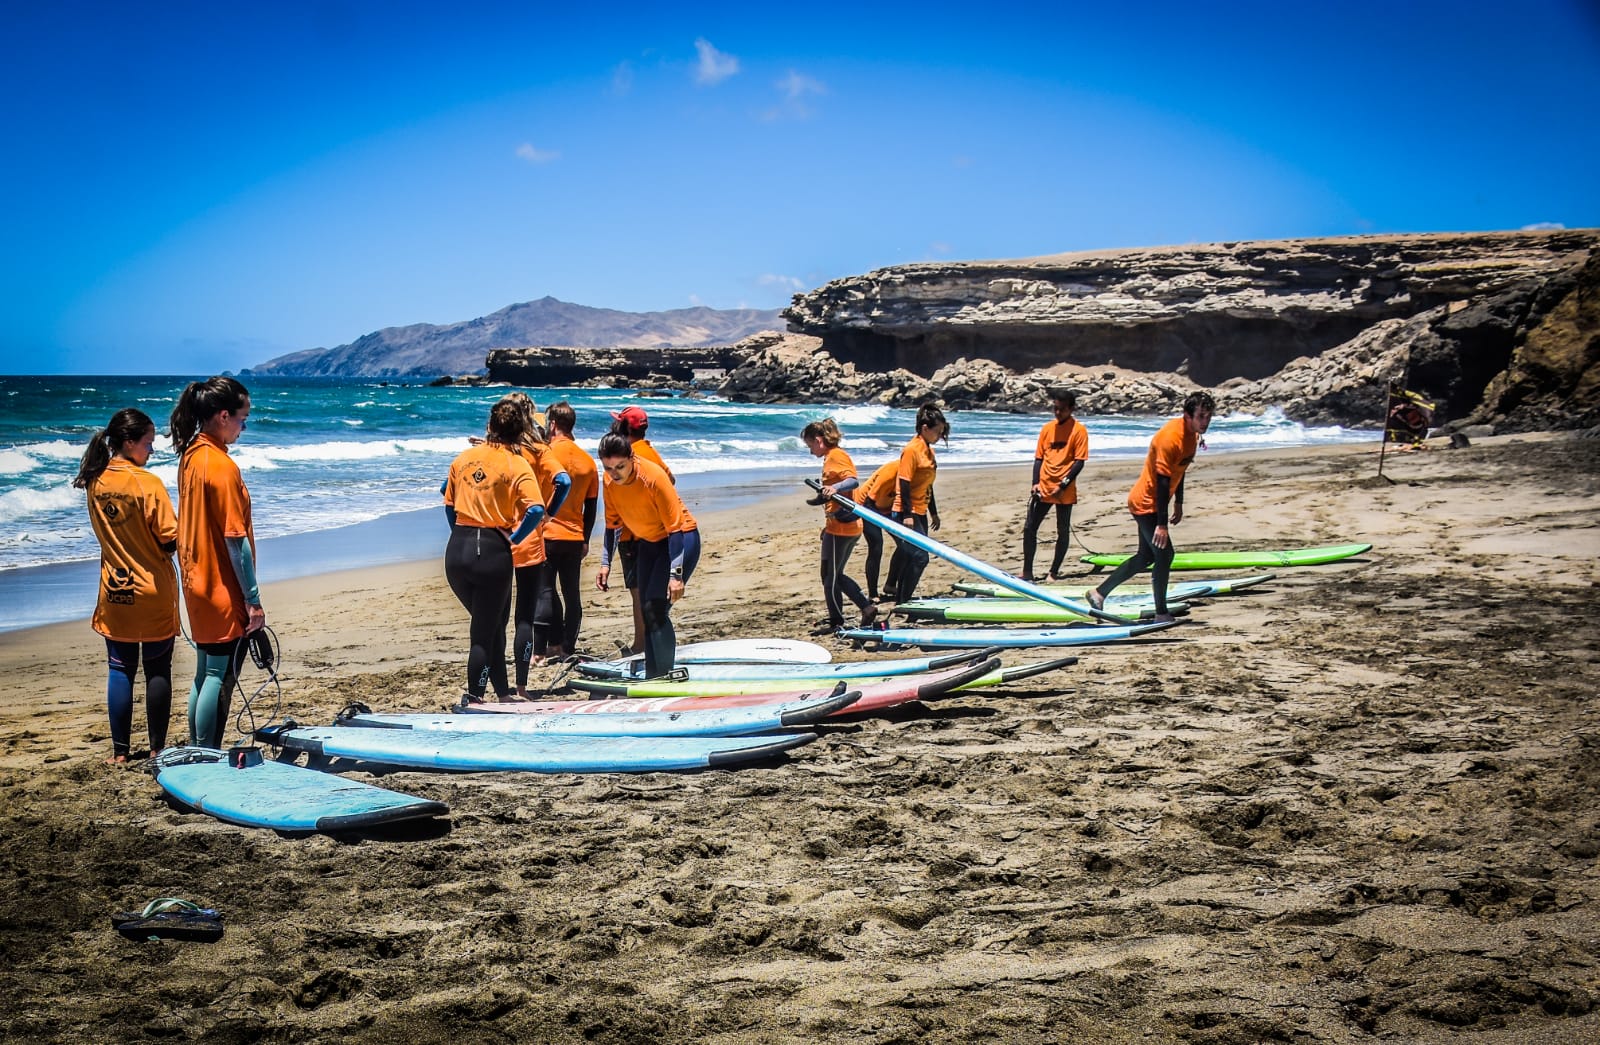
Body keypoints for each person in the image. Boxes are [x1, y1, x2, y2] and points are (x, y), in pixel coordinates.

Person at [74, 408, 179, 763]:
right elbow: (168, 538)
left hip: (115, 590)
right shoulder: (147, 483)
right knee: (157, 669)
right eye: (148, 444)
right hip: (151, 590)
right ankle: (157, 748)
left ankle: (119, 753)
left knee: (120, 669)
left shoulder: (94, 480)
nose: (151, 451)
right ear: (130, 442)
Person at [170, 376, 260, 748]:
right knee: (218, 677)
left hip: (196, 582)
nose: (244, 426)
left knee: (203, 671)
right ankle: (206, 753)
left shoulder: (191, 455)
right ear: (223, 416)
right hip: (221, 586)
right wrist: (253, 600)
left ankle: (196, 748)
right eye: (242, 418)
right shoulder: (221, 467)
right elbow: (234, 541)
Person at [442, 399, 546, 702]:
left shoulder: (463, 458)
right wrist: (515, 538)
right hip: (491, 554)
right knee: (483, 635)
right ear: (520, 431)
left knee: (491, 625)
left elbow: (449, 505)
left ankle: (502, 694)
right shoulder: (516, 463)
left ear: (490, 426)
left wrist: (458, 534)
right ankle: (476, 699)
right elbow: (536, 509)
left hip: (456, 551)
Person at [1086, 391, 1216, 623]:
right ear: (1187, 415)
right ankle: (1161, 613)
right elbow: (1163, 481)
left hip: (1159, 502)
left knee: (1146, 556)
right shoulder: (1170, 438)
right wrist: (1161, 525)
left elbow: (1181, 468)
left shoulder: (1192, 436)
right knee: (1165, 555)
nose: (1205, 422)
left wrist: (1179, 502)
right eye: (1201, 416)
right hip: (1146, 503)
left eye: (1208, 416)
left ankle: (1098, 593)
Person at [594, 432, 701, 679]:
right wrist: (605, 563)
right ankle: (655, 675)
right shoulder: (608, 482)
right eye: (608, 468)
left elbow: (675, 530)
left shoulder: (652, 477)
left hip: (680, 540)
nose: (614, 473)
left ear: (632, 458)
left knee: (656, 607)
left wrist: (676, 577)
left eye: (620, 466)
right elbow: (613, 525)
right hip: (649, 543)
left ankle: (663, 675)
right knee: (646, 608)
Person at [501, 394, 570, 694]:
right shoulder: (539, 449)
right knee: (524, 617)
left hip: (498, 537)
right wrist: (548, 514)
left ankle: (496, 688)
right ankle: (521, 686)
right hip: (529, 539)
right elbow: (563, 481)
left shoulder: (501, 449)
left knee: (496, 618)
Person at [607, 405, 688, 656]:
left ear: (623, 428)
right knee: (647, 597)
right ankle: (646, 646)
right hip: (650, 533)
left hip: (635, 536)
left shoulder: (632, 455)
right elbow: (670, 479)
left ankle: (642, 646)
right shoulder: (649, 451)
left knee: (640, 596)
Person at [537, 400, 598, 661]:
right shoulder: (588, 462)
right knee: (572, 594)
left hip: (548, 535)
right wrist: (585, 539)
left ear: (552, 425)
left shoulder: (546, 456)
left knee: (547, 591)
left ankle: (553, 643)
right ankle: (568, 647)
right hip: (574, 537)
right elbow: (591, 507)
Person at [802, 418, 875, 633]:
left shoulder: (836, 456)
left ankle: (860, 610)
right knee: (832, 575)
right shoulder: (831, 457)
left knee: (831, 576)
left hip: (843, 527)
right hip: (838, 525)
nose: (810, 451)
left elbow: (852, 480)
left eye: (810, 446)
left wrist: (834, 488)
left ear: (819, 440)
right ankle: (842, 616)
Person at [1020, 388, 1090, 582]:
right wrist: (1035, 483)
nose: (1058, 413)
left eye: (1062, 409)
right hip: (1044, 487)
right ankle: (1027, 571)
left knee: (1062, 530)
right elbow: (1038, 458)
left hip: (1064, 490)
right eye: (1055, 409)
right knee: (1029, 527)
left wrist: (1063, 485)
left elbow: (1079, 462)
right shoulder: (1047, 429)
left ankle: (1053, 571)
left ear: (1071, 409)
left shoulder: (1079, 431)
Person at [884, 403, 947, 605]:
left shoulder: (929, 451)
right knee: (920, 557)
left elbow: (928, 485)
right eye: (937, 431)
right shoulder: (911, 450)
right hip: (905, 512)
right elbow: (904, 482)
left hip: (920, 511)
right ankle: (904, 601)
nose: (939, 436)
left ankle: (902, 601)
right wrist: (907, 514)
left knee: (913, 558)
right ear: (925, 428)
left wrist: (933, 513)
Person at [852, 459, 899, 604]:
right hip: (867, 505)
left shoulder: (916, 473)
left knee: (905, 545)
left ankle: (890, 585)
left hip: (886, 506)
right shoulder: (891, 471)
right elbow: (871, 498)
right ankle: (872, 593)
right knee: (876, 546)